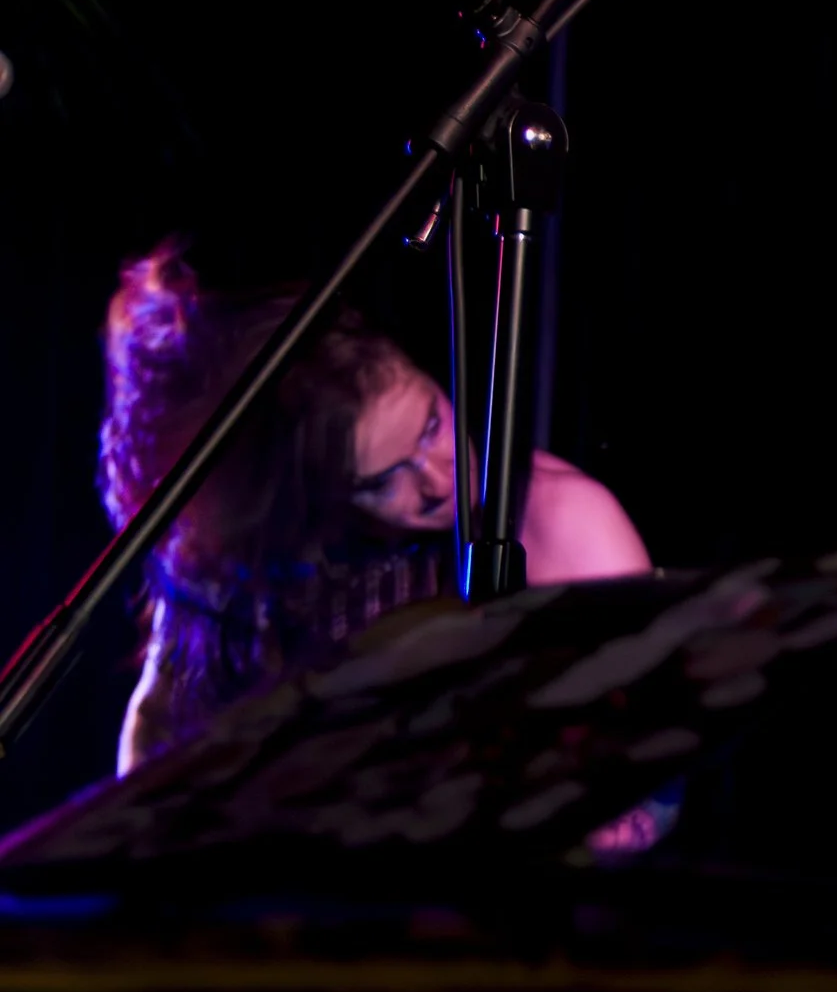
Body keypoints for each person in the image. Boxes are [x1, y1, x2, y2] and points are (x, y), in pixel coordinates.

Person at [98, 237, 650, 773]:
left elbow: (647, 764)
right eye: (385, 481)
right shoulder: (275, 553)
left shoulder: (558, 518)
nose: (438, 479)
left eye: (431, 426)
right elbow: (155, 728)